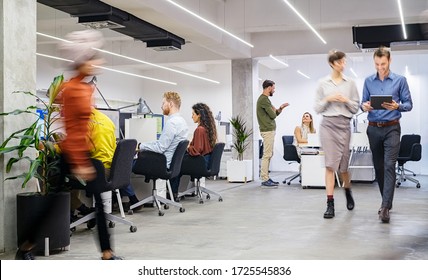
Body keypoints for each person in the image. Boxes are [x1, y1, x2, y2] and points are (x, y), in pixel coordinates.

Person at [57, 30, 121, 260]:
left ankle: (107, 251)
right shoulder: (73, 90)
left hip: (85, 153)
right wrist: (80, 162)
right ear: (82, 62)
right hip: (74, 155)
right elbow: (73, 131)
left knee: (98, 199)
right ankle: (26, 246)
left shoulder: (84, 89)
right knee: (53, 205)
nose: (98, 61)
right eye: (93, 57)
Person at [361, 46, 413, 223]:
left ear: (389, 61)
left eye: (383, 64)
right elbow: (362, 102)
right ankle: (387, 202)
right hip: (373, 128)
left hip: (392, 128)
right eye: (377, 64)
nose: (380, 67)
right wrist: (364, 106)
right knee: (379, 167)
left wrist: (398, 106)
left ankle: (384, 207)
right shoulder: (368, 81)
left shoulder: (400, 80)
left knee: (389, 165)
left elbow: (408, 104)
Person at [314, 49, 360, 219]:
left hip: (344, 125)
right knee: (330, 165)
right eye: (340, 62)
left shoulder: (351, 83)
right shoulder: (322, 83)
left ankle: (347, 190)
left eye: (344, 62)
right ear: (332, 64)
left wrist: (345, 100)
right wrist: (328, 99)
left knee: (343, 167)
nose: (343, 65)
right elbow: (317, 108)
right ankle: (330, 203)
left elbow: (355, 108)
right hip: (328, 125)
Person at [129, 91, 188, 205]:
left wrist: (141, 146)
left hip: (161, 164)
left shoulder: (172, 123)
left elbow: (161, 147)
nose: (161, 106)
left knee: (127, 164)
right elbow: (163, 143)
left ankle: (130, 200)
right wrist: (145, 144)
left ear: (170, 104)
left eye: (163, 103)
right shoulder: (182, 122)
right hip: (170, 164)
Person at [169, 103, 217, 200]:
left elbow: (196, 151)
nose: (192, 117)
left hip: (200, 163)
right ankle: (175, 192)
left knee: (175, 166)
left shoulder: (199, 130)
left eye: (193, 114)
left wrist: (187, 147)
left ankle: (173, 193)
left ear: (199, 115)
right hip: (206, 161)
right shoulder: (208, 129)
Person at [256, 79, 289, 188]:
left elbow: (275, 113)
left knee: (269, 154)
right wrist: (274, 110)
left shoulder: (266, 100)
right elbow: (273, 115)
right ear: (269, 88)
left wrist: (280, 108)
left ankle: (266, 177)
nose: (274, 90)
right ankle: (265, 179)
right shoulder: (264, 100)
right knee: (267, 155)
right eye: (273, 88)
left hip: (269, 130)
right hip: (267, 130)